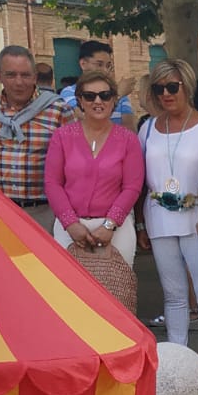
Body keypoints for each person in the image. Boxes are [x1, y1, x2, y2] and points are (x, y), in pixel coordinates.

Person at [138, 59, 198, 383]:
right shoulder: (147, 127)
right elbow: (137, 177)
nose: (166, 94)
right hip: (158, 214)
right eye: (159, 88)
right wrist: (139, 224)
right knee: (173, 293)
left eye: (172, 86)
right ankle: (177, 361)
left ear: (186, 86)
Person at [44, 72, 144, 268]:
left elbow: (132, 186)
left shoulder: (128, 139)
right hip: (70, 228)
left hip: (116, 228)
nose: (98, 101)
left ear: (114, 99)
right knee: (69, 292)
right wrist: (70, 223)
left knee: (115, 293)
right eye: (90, 96)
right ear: (80, 100)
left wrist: (110, 224)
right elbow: (52, 183)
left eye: (105, 95)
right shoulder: (62, 137)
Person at [0, 45, 72, 226]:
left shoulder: (58, 110)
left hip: (45, 212)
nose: (19, 82)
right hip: (1, 211)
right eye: (10, 75)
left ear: (35, 76)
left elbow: (72, 162)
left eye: (25, 75)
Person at [59, 40, 136, 129]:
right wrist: (118, 95)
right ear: (83, 64)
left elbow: (130, 130)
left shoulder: (122, 96)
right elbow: (81, 119)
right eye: (99, 64)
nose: (105, 70)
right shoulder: (69, 92)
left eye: (108, 66)